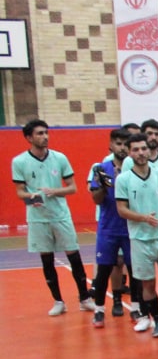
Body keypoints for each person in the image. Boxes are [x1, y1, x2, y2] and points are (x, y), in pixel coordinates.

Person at [12, 119, 93, 316]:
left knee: (74, 256)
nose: (45, 136)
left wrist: (54, 191)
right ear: (29, 138)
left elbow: (72, 188)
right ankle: (58, 301)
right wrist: (31, 197)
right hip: (38, 218)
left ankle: (84, 298)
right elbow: (20, 192)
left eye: (46, 132)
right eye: (39, 133)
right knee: (47, 260)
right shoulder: (19, 162)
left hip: (60, 215)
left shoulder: (60, 158)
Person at [114, 133, 158, 337]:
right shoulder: (123, 179)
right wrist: (143, 218)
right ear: (130, 153)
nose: (140, 153)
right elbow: (121, 209)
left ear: (149, 150)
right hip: (140, 239)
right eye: (136, 149)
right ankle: (157, 321)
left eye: (143, 148)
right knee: (148, 283)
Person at [87, 127, 134, 328]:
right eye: (118, 143)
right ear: (111, 145)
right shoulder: (101, 169)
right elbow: (97, 199)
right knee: (104, 269)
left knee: (134, 270)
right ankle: (99, 310)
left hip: (131, 227)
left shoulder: (135, 169)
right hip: (109, 228)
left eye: (125, 144)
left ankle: (137, 307)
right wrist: (105, 185)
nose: (122, 148)